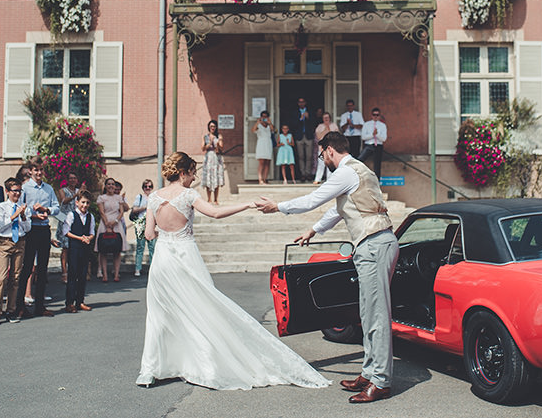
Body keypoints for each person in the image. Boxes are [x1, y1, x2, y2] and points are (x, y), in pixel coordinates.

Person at [135, 151, 328, 390]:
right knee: (203, 309)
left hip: (163, 260)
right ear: (183, 172)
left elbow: (149, 234)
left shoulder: (153, 197)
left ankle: (150, 371)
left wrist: (165, 233)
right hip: (186, 257)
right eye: (192, 173)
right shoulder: (188, 195)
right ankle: (205, 368)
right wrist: (247, 203)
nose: (194, 177)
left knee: (160, 315)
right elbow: (215, 213)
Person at [256, 132, 399, 403]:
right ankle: (369, 373)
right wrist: (314, 229)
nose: (323, 160)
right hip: (374, 243)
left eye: (322, 155)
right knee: (367, 313)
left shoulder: (345, 172)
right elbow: (337, 210)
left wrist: (278, 206)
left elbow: (315, 198)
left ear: (330, 150)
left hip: (374, 243)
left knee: (376, 315)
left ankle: (380, 381)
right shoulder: (357, 170)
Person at [15, 159, 59, 318]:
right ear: (30, 171)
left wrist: (45, 209)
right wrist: (34, 214)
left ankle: (40, 306)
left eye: (41, 170)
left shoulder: (48, 188)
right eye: (36, 170)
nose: (39, 173)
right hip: (30, 230)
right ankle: (19, 306)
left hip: (44, 230)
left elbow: (57, 209)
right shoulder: (25, 188)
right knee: (27, 268)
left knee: (42, 269)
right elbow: (20, 210)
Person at [0, 178, 31, 325]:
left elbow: (27, 228)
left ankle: (11, 310)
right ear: (8, 192)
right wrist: (14, 216)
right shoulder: (2, 206)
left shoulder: (23, 206)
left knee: (15, 278)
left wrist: (24, 215)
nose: (18, 194)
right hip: (4, 242)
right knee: (1, 278)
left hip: (19, 242)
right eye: (15, 191)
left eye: (19, 191)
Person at [63, 190, 96, 312]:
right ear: (77, 203)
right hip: (74, 249)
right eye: (82, 202)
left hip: (85, 249)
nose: (85, 205)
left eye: (87, 203)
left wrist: (89, 238)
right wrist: (80, 238)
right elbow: (66, 231)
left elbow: (92, 231)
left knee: (83, 275)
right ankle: (69, 302)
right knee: (73, 276)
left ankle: (80, 301)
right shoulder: (72, 215)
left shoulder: (90, 216)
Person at [95, 177, 129, 282]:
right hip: (105, 224)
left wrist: (115, 222)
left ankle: (116, 274)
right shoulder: (101, 198)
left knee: (117, 251)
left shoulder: (119, 198)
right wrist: (107, 224)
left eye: (113, 184)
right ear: (105, 186)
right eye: (109, 184)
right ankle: (104, 274)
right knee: (103, 251)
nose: (111, 186)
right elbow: (101, 212)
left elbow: (122, 212)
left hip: (116, 224)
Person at [56, 172, 81, 283]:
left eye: (74, 178)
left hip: (75, 220)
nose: (72, 180)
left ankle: (74, 272)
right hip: (64, 219)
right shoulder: (63, 190)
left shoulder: (79, 190)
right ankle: (64, 272)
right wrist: (76, 195)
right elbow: (64, 201)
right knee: (65, 248)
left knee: (75, 247)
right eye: (70, 178)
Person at [131, 179, 155, 276]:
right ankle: (138, 269)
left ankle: (153, 269)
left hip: (152, 224)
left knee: (152, 247)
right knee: (140, 247)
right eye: (146, 186)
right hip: (141, 223)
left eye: (149, 186)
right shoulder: (139, 197)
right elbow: (134, 209)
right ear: (143, 188)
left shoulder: (154, 197)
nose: (148, 188)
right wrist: (145, 207)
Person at [358, 107, 388, 180]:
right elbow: (363, 137)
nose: (375, 116)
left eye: (377, 115)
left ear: (379, 116)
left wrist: (377, 134)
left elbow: (384, 138)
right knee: (359, 160)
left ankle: (377, 183)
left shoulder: (382, 125)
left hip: (378, 145)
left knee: (377, 165)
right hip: (369, 145)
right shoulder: (367, 124)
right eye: (374, 115)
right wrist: (372, 134)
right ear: (371, 115)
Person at [200, 120, 225, 204]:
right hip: (209, 157)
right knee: (208, 177)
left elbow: (221, 147)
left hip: (216, 157)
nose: (212, 128)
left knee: (216, 177)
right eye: (211, 126)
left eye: (214, 126)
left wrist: (218, 143)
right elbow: (203, 148)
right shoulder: (205, 136)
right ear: (209, 127)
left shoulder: (219, 136)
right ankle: (209, 198)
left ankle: (216, 199)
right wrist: (210, 142)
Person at [293, 97, 316, 181]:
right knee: (301, 156)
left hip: (309, 136)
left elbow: (315, 122)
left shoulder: (310, 111)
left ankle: (308, 173)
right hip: (299, 136)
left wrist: (308, 117)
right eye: (300, 102)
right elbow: (293, 124)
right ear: (298, 103)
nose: (301, 103)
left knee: (309, 156)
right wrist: (300, 119)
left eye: (303, 102)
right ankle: (302, 174)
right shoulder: (295, 112)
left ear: (305, 103)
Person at [313, 111, 339, 184]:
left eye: (327, 118)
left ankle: (330, 180)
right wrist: (325, 128)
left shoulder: (334, 125)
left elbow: (336, 136)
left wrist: (329, 128)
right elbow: (318, 136)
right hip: (322, 148)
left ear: (330, 118)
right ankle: (318, 179)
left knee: (330, 164)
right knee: (321, 164)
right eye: (325, 118)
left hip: (331, 147)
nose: (326, 119)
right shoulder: (320, 126)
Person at [252, 110, 275, 185]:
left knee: (267, 162)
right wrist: (258, 122)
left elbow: (273, 130)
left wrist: (269, 122)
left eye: (266, 117)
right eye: (263, 117)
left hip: (268, 143)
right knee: (261, 162)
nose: (264, 118)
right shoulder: (258, 125)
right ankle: (260, 179)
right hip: (261, 143)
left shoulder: (269, 125)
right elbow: (253, 130)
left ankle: (265, 179)